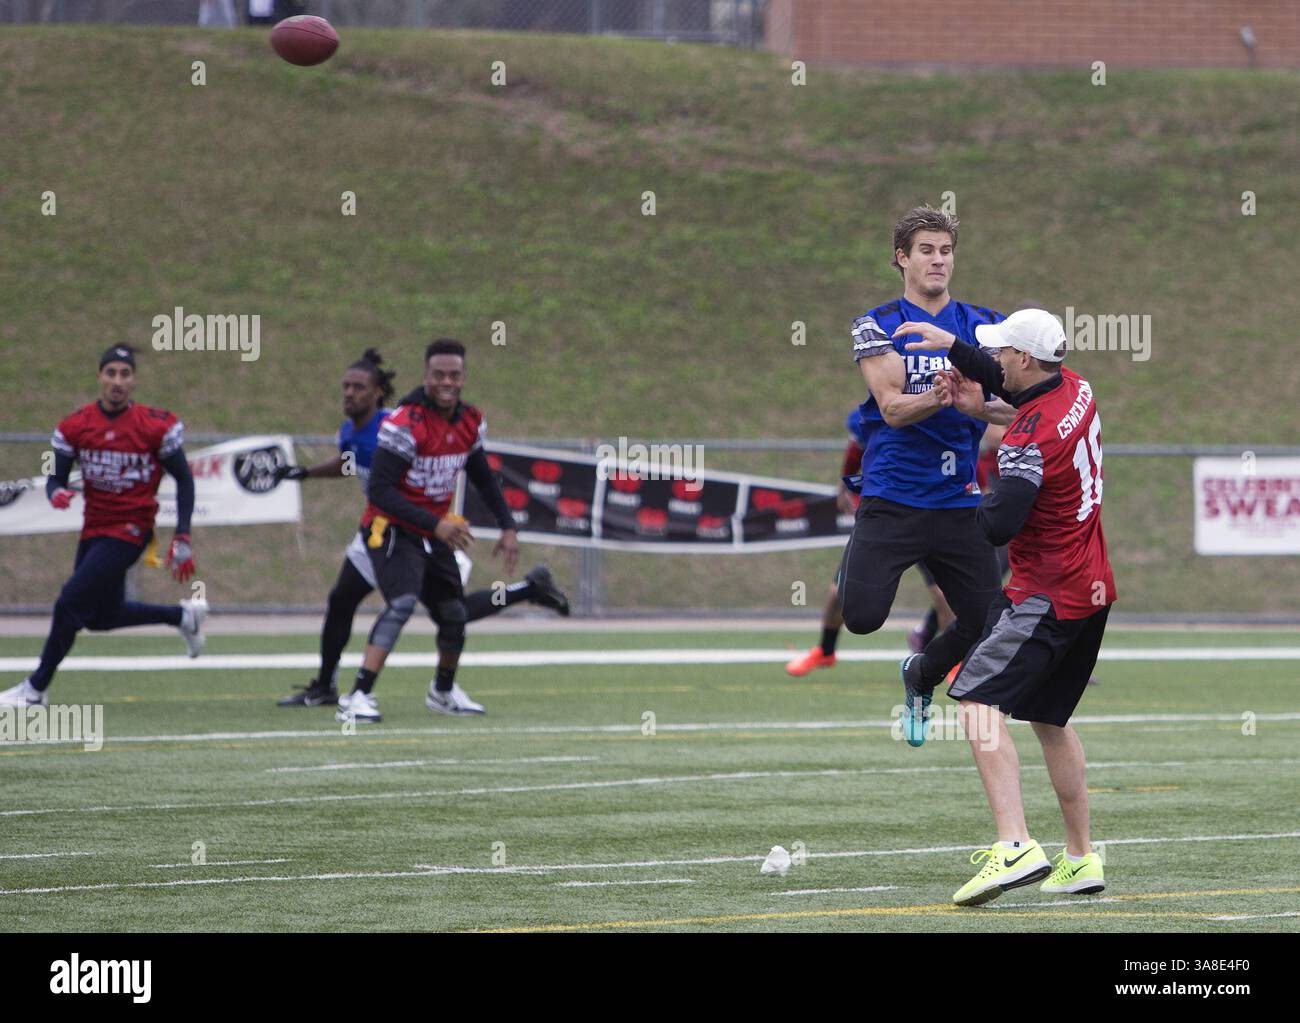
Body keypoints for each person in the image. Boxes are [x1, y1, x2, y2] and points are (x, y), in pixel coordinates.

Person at [901, 308, 1115, 905]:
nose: (993, 359)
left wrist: (956, 499)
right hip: (1092, 586)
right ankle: (1081, 857)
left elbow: (998, 525)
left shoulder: (1027, 439)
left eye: (1001, 352)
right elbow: (1018, 395)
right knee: (1050, 719)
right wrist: (955, 350)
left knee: (974, 701)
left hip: (1045, 592)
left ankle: (1015, 844)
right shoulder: (1076, 386)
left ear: (1023, 356)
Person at [275, 348, 569, 708]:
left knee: (449, 610)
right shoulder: (353, 430)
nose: (349, 394)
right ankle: (333, 687)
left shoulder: (398, 426)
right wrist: (305, 472)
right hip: (385, 526)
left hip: (421, 529)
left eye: (358, 387)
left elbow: (469, 472)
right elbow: (351, 463)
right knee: (349, 601)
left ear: (377, 393)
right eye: (345, 387)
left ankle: (520, 597)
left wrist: (496, 524)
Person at [841, 205, 1016, 746]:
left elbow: (1020, 407)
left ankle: (922, 673)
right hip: (893, 497)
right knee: (862, 617)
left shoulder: (984, 325)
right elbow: (893, 409)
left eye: (945, 250)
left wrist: (975, 406)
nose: (938, 260)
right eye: (926, 250)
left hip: (959, 501)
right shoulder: (876, 323)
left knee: (989, 623)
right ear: (902, 258)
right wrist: (938, 397)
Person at [0, 346, 205, 708]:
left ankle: (35, 689)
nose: (117, 381)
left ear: (134, 380)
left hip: (131, 529)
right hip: (94, 528)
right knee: (99, 616)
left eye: (125, 374)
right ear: (99, 376)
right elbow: (55, 478)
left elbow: (185, 480)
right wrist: (56, 492)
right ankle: (183, 616)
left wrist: (183, 534)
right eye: (111, 373)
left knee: (69, 602)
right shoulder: (77, 425)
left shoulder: (152, 425)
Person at [339, 338, 520, 723]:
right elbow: (380, 491)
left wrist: (507, 526)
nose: (447, 382)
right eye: (439, 375)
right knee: (402, 603)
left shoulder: (470, 421)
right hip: (389, 527)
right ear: (426, 376)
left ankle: (442, 691)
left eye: (454, 375)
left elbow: (483, 477)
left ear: (464, 378)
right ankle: (357, 696)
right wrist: (435, 524)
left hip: (433, 531)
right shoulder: (406, 423)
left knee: (453, 612)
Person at [786, 408, 954, 676]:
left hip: (931, 515)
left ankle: (953, 662)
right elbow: (857, 446)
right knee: (839, 591)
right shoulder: (881, 410)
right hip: (886, 518)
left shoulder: (945, 411)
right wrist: (844, 483)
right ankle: (825, 651)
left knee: (945, 596)